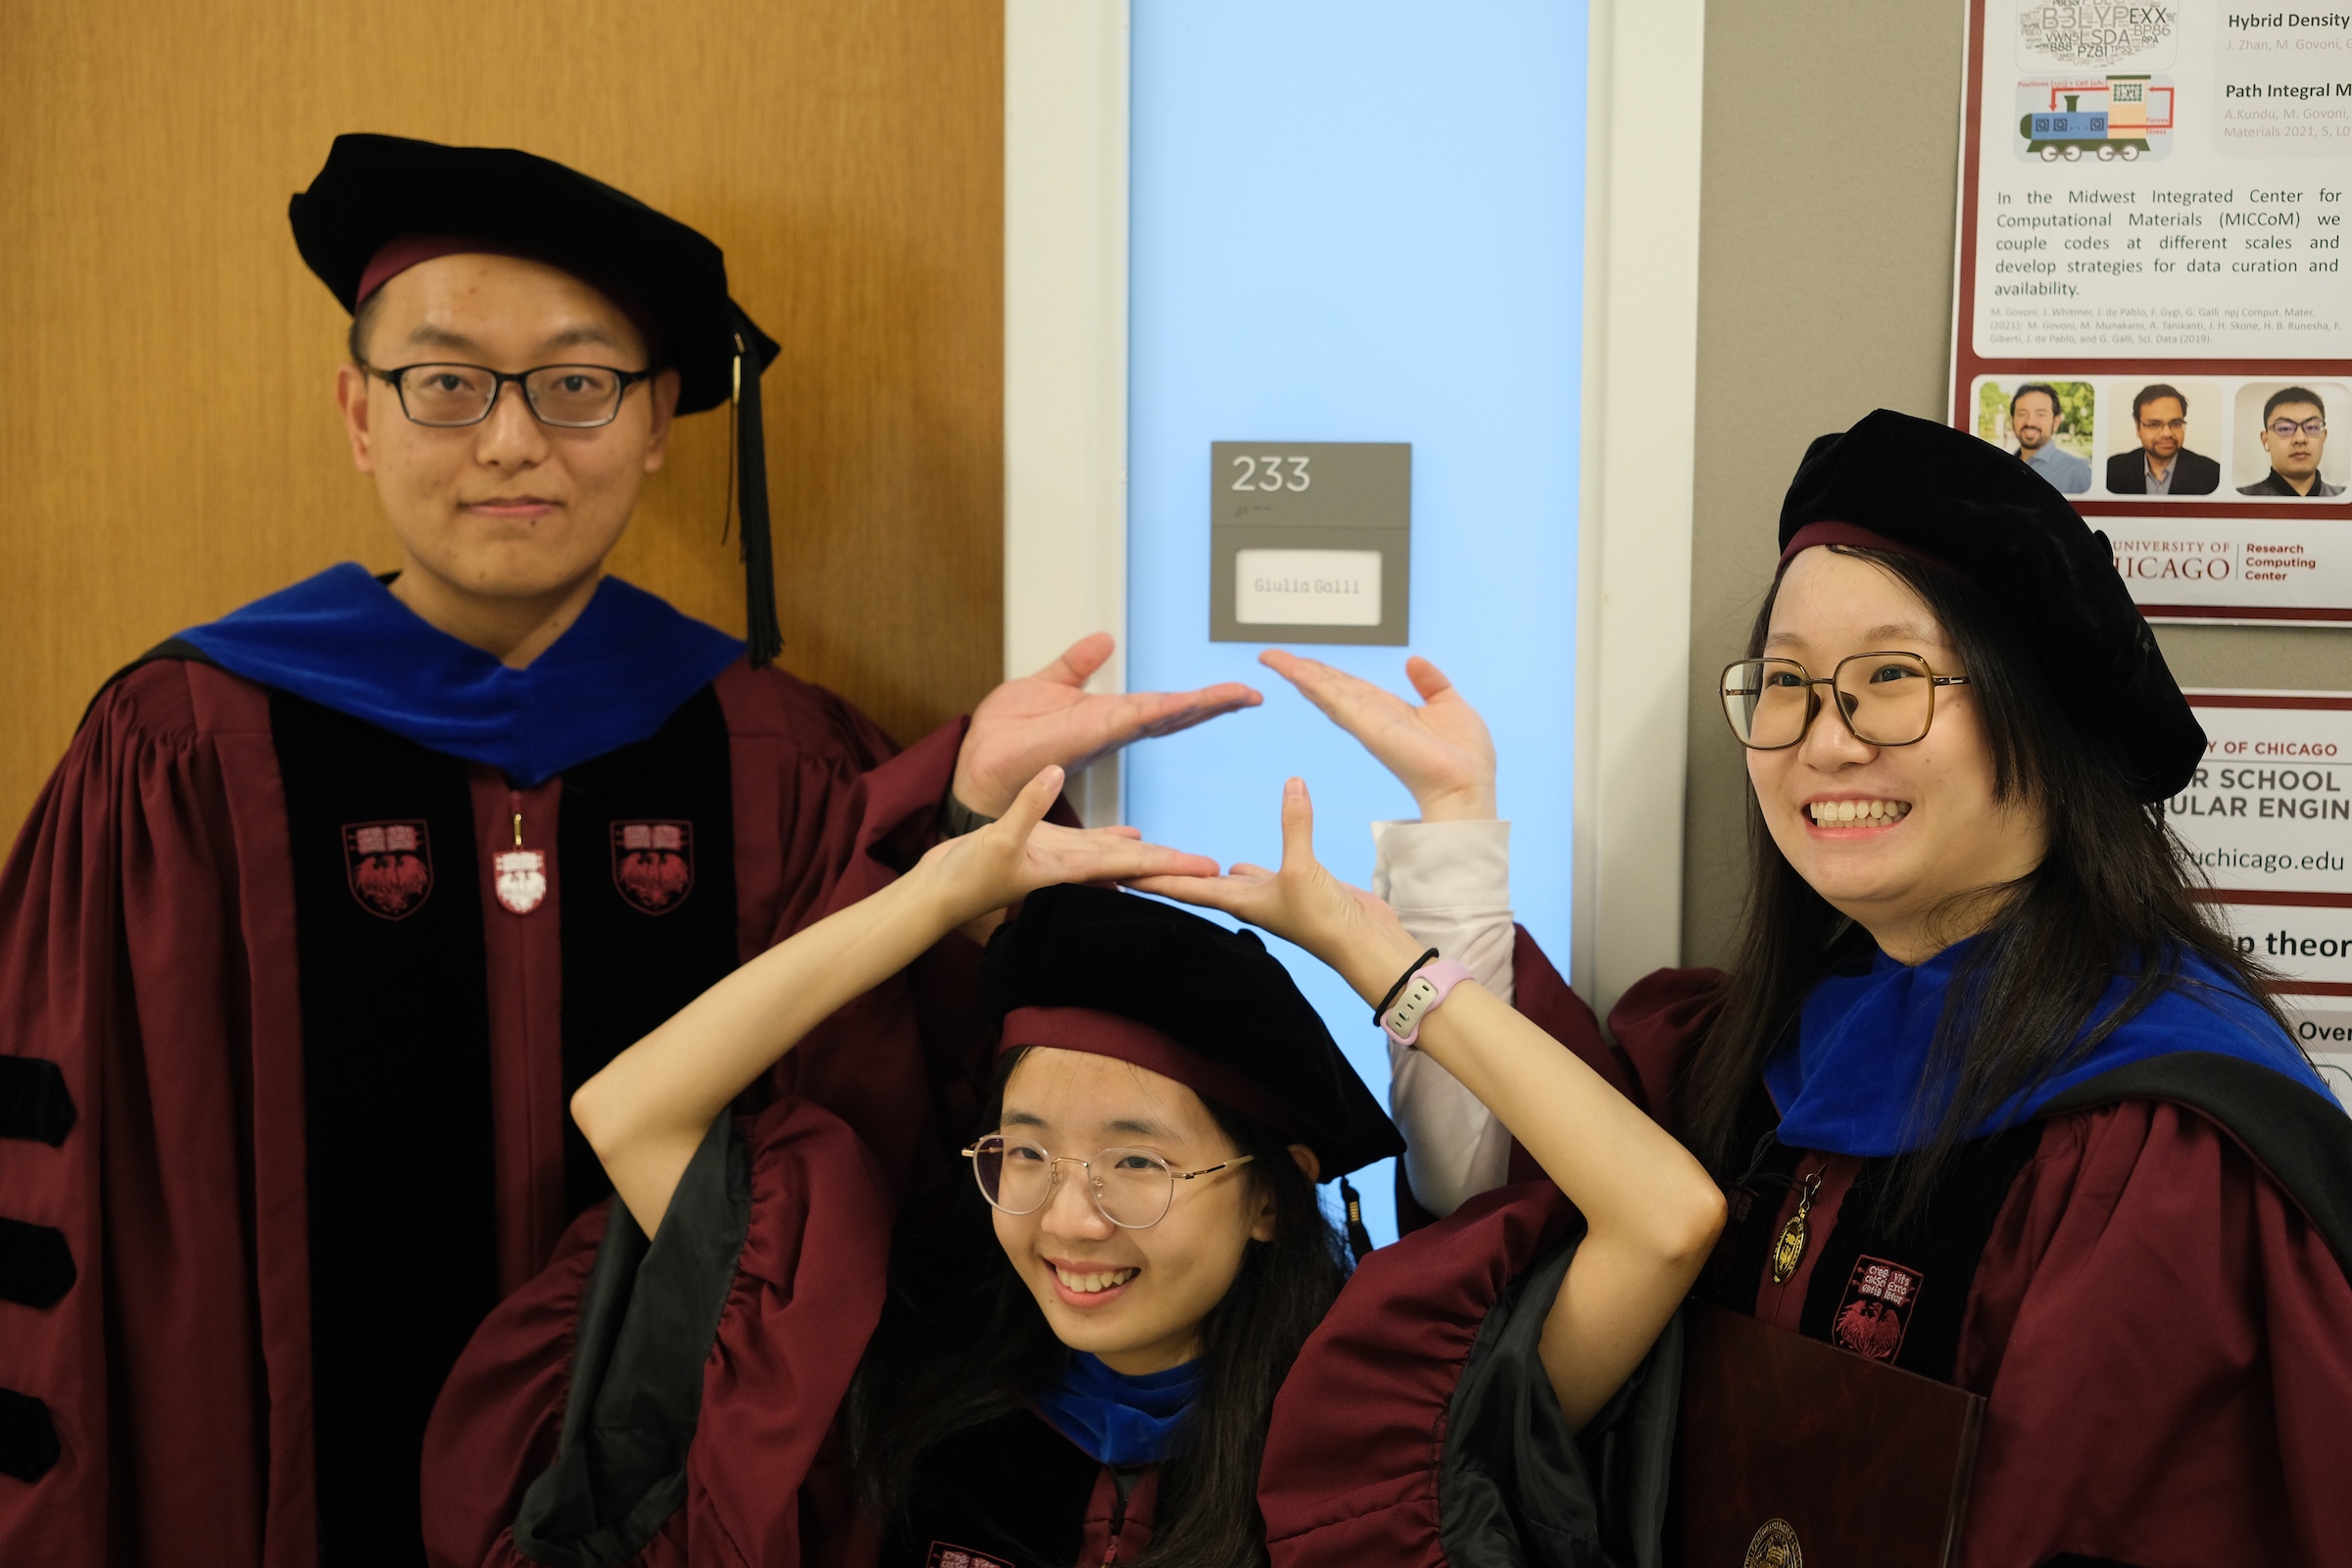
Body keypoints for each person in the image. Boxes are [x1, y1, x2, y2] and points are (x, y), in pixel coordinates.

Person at [0, 134, 1259, 1568]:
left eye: (576, 383)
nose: (510, 441)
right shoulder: (182, 752)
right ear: (358, 410)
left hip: (668, 1509)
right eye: (446, 381)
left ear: (659, 418)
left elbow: (890, 1116)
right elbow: (80, 1205)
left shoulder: (777, 757)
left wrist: (966, 817)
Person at [1270, 409, 2352, 1567]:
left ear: (2041, 711)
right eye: (1786, 682)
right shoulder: (1765, 1048)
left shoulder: (2159, 1154)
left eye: (1889, 676)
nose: (1825, 742)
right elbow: (1507, 1202)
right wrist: (1452, 833)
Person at [417, 764, 1724, 1567]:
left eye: (1136, 1162)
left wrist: (1375, 960)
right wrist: (934, 896)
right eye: (1025, 1154)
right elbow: (630, 1113)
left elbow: (1664, 1217)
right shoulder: (894, 1382)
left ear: (1268, 1198)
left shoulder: (1390, 1429)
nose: (1070, 1219)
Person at [2103, 382, 2219, 495]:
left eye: (2176, 423)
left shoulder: (2212, 474)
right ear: (2137, 427)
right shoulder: (2112, 470)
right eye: (2154, 424)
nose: (2167, 433)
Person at [2237, 386, 2341, 497]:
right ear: (2265, 440)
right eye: (2285, 428)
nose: (2300, 439)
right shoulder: (2241, 498)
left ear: (2324, 437)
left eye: (2311, 427)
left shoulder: (2343, 496)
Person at [2006, 382, 2089, 495]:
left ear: (2056, 422)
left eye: (2040, 414)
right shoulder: (2002, 467)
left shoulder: (2077, 471)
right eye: (2022, 414)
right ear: (2012, 420)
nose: (2030, 422)